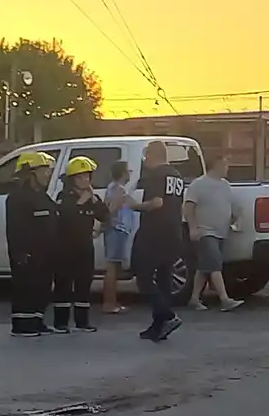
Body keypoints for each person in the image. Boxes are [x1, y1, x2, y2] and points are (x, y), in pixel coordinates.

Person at [130, 140, 186, 342]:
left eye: (146, 157)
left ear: (152, 155)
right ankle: (158, 326)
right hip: (174, 232)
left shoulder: (156, 175)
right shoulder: (177, 175)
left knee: (143, 276)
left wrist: (135, 206)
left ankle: (168, 316)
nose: (145, 161)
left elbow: (156, 203)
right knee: (164, 278)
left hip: (154, 232)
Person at [53, 155, 110, 332]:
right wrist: (81, 201)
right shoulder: (64, 196)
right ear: (72, 179)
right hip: (65, 247)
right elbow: (65, 215)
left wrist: (93, 201)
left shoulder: (92, 197)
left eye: (87, 176)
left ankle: (82, 322)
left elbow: (105, 216)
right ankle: (61, 323)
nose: (85, 180)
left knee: (84, 283)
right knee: (63, 284)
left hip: (85, 246)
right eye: (80, 176)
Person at [6, 151, 57, 337]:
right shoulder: (18, 197)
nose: (47, 175)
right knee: (25, 288)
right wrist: (20, 252)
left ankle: (37, 321)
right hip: (28, 254)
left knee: (41, 288)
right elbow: (16, 229)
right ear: (30, 173)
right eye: (43, 171)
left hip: (45, 253)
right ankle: (22, 325)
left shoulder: (42, 196)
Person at [183, 153, 243, 312]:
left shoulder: (225, 185)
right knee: (215, 264)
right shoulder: (198, 184)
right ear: (216, 165)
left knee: (205, 267)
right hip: (205, 232)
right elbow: (188, 207)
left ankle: (194, 299)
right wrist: (193, 227)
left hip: (221, 232)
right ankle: (225, 299)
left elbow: (232, 206)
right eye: (225, 164)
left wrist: (235, 219)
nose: (227, 168)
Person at [101, 160, 134, 315]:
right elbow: (111, 209)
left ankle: (113, 300)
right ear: (122, 173)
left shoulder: (112, 188)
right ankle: (109, 303)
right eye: (128, 170)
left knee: (115, 266)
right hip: (116, 229)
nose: (130, 173)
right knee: (112, 267)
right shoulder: (119, 190)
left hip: (117, 230)